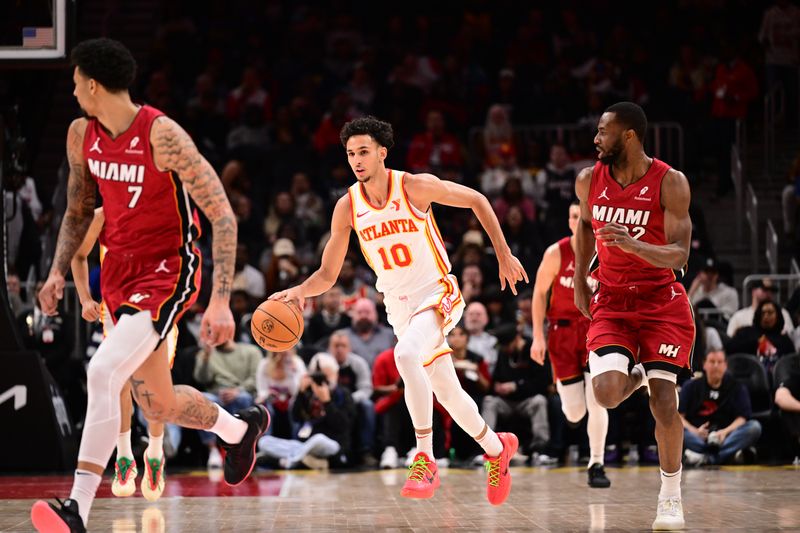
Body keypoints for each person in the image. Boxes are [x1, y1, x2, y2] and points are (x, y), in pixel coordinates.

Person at [31, 39, 269, 533]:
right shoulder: (82, 135)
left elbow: (222, 215)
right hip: (118, 273)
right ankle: (239, 428)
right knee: (156, 403)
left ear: (92, 84)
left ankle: (76, 510)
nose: (73, 93)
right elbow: (77, 211)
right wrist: (56, 272)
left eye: (76, 83)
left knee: (101, 371)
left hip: (165, 272)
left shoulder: (163, 135)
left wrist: (221, 300)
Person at [272, 116, 527, 505]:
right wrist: (298, 291)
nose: (356, 160)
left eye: (363, 152)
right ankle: (497, 448)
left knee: (405, 354)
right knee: (447, 391)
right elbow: (327, 273)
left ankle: (424, 456)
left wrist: (504, 254)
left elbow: (478, 199)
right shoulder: (348, 207)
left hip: (437, 292)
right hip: (399, 306)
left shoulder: (413, 186)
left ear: (382, 153)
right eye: (350, 153)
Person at [573, 102, 695, 530]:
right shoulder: (589, 179)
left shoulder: (671, 183)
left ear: (628, 136)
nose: (596, 138)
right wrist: (578, 281)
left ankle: (670, 497)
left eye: (603, 131)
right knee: (604, 393)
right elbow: (585, 229)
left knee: (664, 404)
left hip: (661, 302)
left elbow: (680, 254)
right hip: (612, 300)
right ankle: (638, 373)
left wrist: (632, 245)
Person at [70, 206, 178, 501]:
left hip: (158, 304)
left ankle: (155, 454)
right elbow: (78, 256)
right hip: (116, 309)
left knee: (155, 390)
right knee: (119, 380)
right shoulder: (103, 215)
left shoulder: (164, 207)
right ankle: (124, 455)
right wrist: (84, 299)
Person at [530, 201, 610, 488]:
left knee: (598, 398)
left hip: (595, 330)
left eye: (583, 217)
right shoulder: (556, 252)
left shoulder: (605, 252)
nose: (578, 221)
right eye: (573, 216)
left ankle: (596, 462)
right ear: (568, 220)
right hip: (562, 334)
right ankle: (575, 417)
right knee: (575, 410)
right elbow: (539, 294)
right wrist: (538, 337)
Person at [679, 350, 762, 466]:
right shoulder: (690, 386)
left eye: (719, 362)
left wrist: (725, 433)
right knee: (676, 430)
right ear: (704, 364)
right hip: (698, 436)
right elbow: (679, 417)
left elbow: (742, 418)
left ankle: (705, 458)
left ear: (725, 365)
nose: (716, 366)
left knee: (754, 427)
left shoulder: (737, 387)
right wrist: (695, 432)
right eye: (712, 362)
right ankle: (726, 455)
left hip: (726, 437)